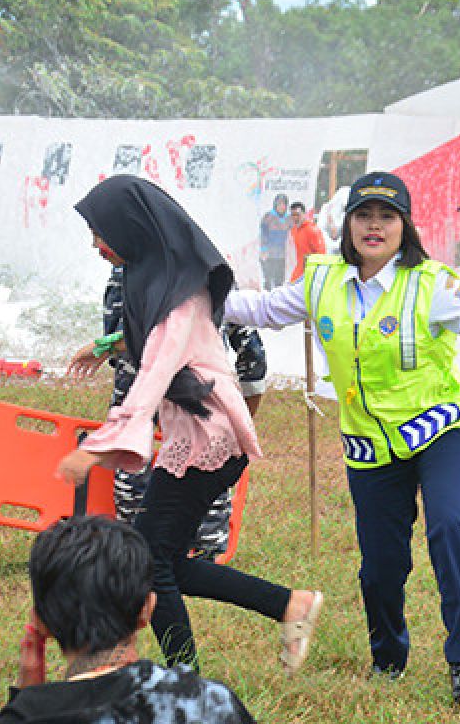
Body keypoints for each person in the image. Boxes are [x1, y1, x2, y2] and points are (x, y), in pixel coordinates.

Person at [224, 171, 460, 704]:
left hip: (442, 431)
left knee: (451, 525)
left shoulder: (432, 282)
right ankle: (388, 656)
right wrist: (193, 295)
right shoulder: (322, 281)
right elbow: (264, 309)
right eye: (363, 215)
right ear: (348, 225)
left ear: (404, 226)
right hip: (370, 446)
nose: (374, 226)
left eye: (387, 217)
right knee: (382, 567)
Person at [60, 176, 322, 673]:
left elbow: (156, 370)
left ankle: (184, 679)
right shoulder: (163, 275)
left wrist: (95, 449)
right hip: (202, 436)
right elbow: (150, 340)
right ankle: (290, 606)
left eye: (101, 233)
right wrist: (102, 347)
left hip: (209, 442)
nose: (95, 245)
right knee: (165, 562)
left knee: (149, 565)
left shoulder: (178, 292)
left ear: (129, 228)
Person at [0, 515, 256, 723]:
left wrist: (26, 700)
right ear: (147, 609)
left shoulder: (28, 716)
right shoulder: (210, 702)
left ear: (40, 622)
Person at [96, 264, 267, 561]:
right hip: (182, 397)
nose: (97, 244)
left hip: (182, 393)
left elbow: (124, 342)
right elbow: (253, 355)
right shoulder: (206, 267)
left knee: (154, 486)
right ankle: (173, 556)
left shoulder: (138, 271)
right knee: (183, 478)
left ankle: (158, 556)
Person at [258, 193, 291, 289]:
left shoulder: (289, 219)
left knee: (279, 281)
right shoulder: (268, 217)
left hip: (282, 255)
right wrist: (264, 249)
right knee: (268, 280)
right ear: (275, 205)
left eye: (284, 204)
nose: (281, 207)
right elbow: (263, 234)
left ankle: (277, 301)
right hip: (269, 254)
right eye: (279, 204)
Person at [288, 201, 326, 281]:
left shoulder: (312, 230)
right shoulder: (294, 230)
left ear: (304, 214)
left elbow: (321, 254)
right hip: (298, 271)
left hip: (310, 273)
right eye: (293, 215)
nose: (295, 218)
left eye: (297, 215)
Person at [319, 185, 350, 254]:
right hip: (327, 249)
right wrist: (332, 244)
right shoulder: (326, 209)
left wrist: (340, 242)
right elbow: (321, 230)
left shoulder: (347, 213)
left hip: (343, 250)